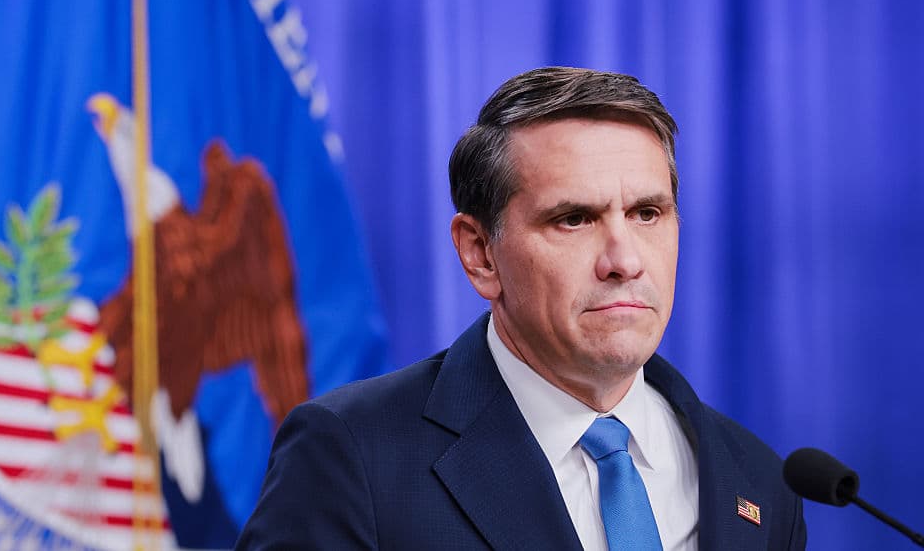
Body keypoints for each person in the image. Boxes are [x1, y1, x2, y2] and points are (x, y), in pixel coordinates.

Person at [237, 67, 806, 550]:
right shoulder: (353, 457)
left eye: (647, 214)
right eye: (574, 219)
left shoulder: (756, 479)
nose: (624, 260)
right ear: (480, 253)